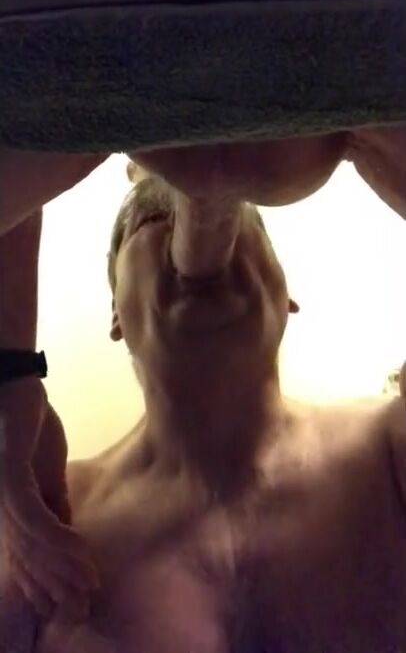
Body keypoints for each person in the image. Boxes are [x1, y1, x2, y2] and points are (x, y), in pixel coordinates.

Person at [0, 126, 405, 623]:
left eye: (247, 226)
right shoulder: (39, 523)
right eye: (152, 219)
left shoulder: (390, 449)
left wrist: (348, 128)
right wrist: (10, 370)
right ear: (116, 316)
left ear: (287, 297)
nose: (194, 221)